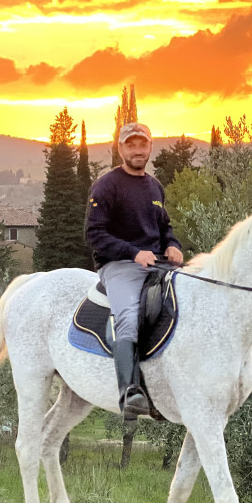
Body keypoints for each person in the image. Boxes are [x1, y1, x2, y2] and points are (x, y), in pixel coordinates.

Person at [85, 122, 183, 420]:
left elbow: (164, 227)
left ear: (150, 147)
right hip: (119, 266)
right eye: (131, 145)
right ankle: (130, 392)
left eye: (142, 144)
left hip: (156, 264)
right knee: (127, 317)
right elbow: (94, 234)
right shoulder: (107, 185)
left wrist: (173, 245)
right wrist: (132, 252)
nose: (138, 150)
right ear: (121, 148)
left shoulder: (155, 187)